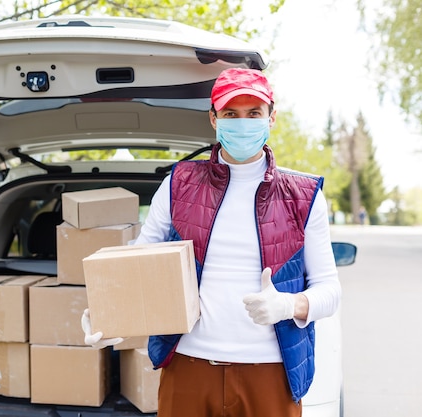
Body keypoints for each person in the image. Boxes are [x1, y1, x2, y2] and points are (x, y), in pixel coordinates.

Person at [81, 67, 341, 417]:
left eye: (254, 114)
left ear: (271, 117)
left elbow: (330, 291)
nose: (242, 123)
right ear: (214, 119)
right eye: (231, 114)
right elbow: (137, 264)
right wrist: (110, 319)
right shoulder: (179, 184)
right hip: (189, 366)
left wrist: (287, 306)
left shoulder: (304, 197)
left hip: (270, 373)